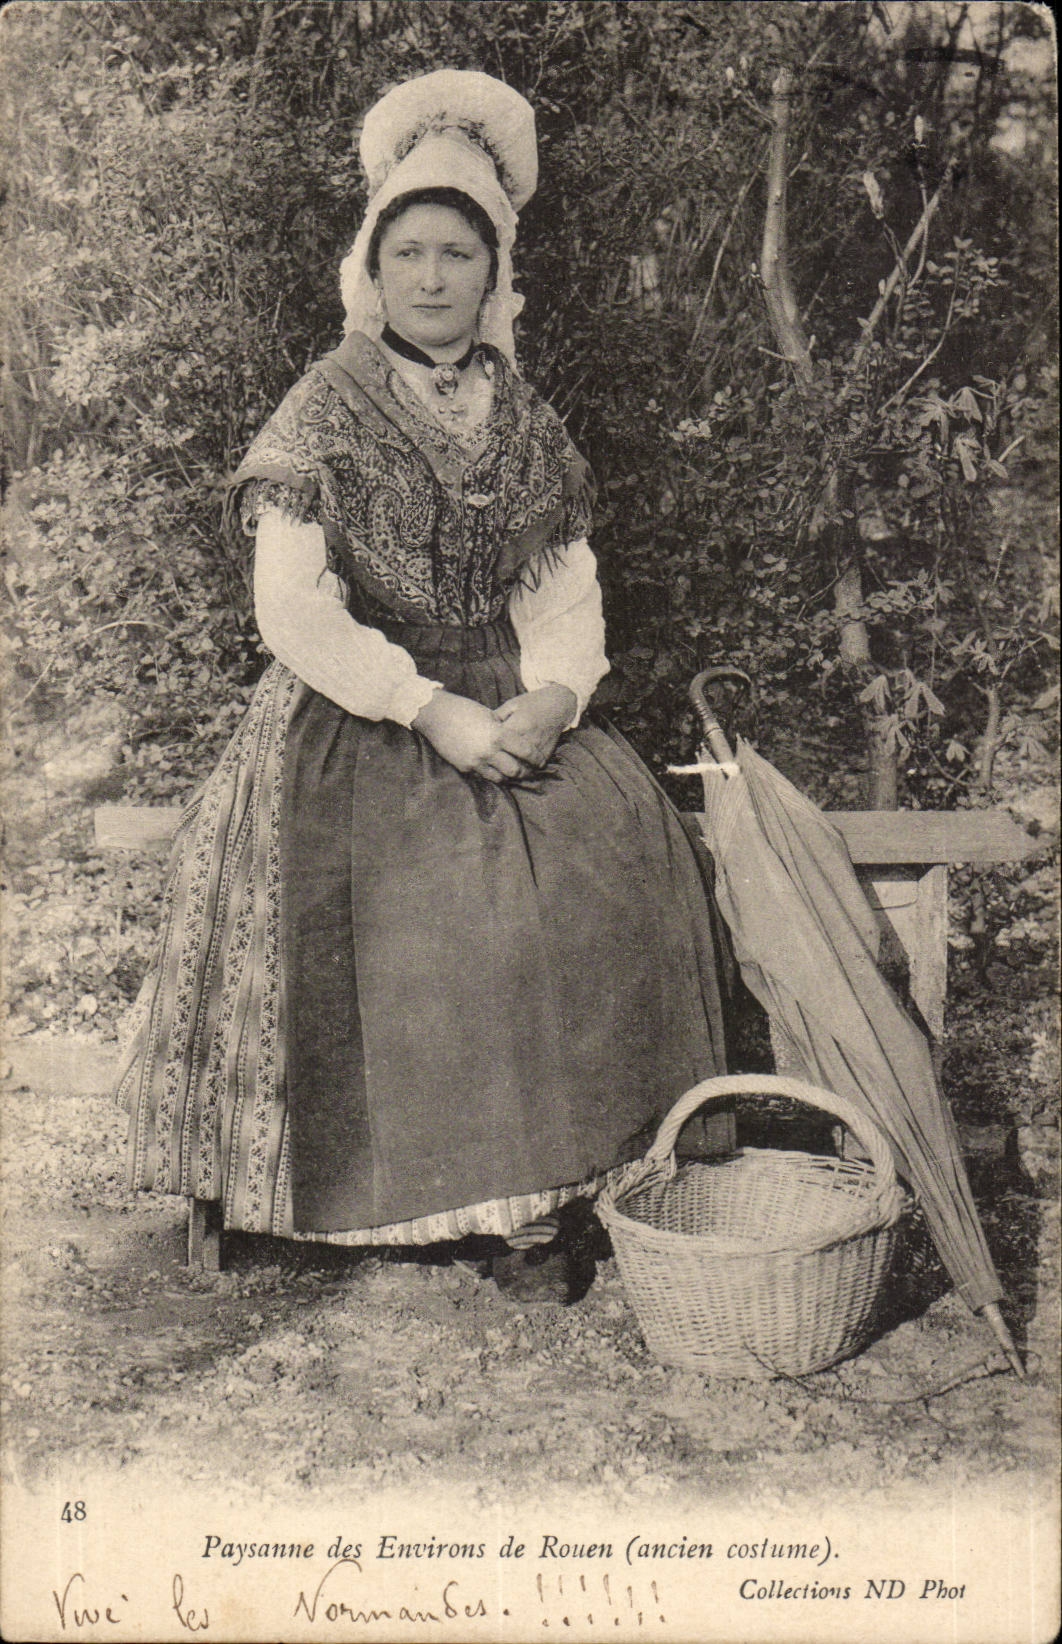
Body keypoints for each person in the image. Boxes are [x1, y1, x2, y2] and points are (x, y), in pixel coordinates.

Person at [117, 69, 729, 1302]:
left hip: (504, 696)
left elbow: (564, 594)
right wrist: (426, 708)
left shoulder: (524, 418)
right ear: (373, 264)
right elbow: (290, 606)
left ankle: (543, 1210)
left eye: (461, 253)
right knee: (437, 906)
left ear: (496, 273)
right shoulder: (324, 408)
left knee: (605, 860)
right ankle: (369, 1201)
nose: (436, 278)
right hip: (361, 715)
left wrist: (554, 697)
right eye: (412, 253)